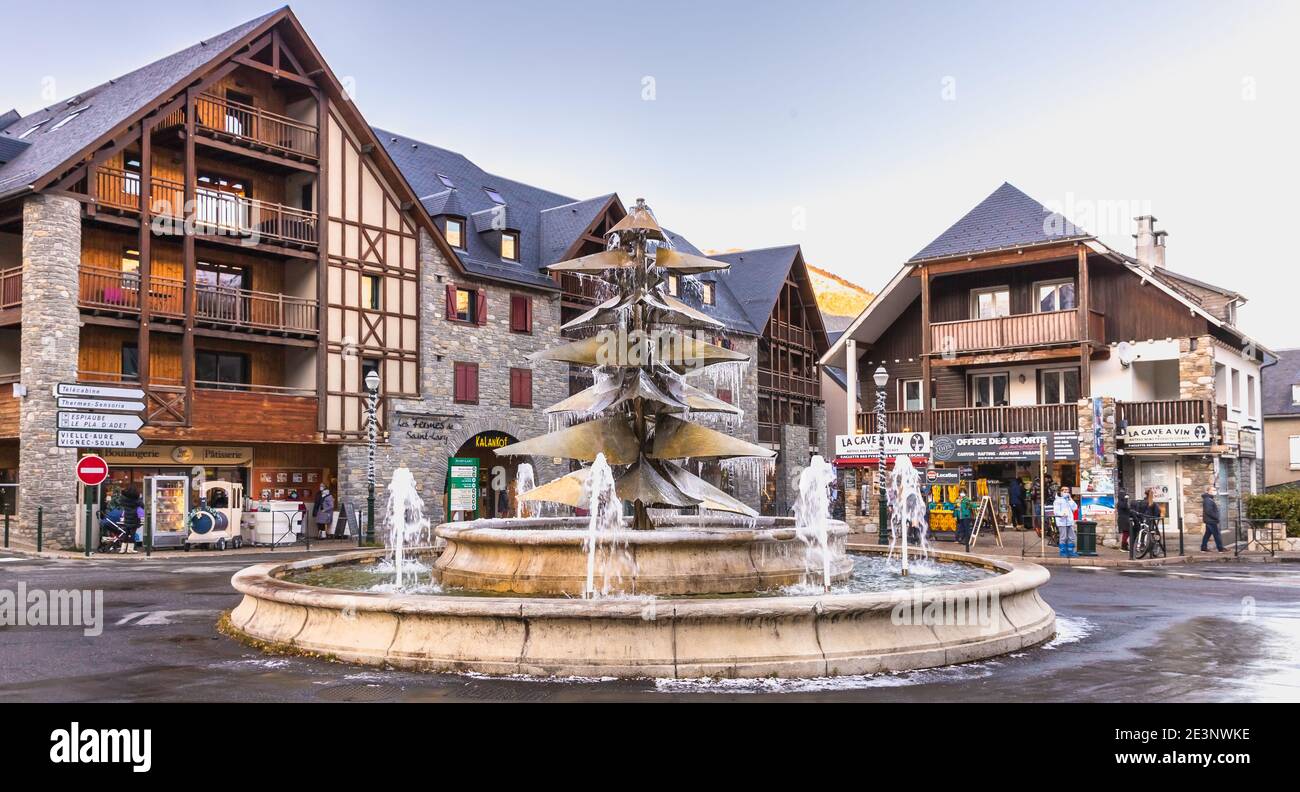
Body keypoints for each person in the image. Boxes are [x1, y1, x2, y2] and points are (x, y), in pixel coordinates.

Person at [1054, 486, 1078, 558]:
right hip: (1062, 521)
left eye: (1067, 490)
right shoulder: (1057, 500)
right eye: (1063, 490)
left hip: (1069, 521)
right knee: (1063, 537)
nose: (1065, 491)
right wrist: (1062, 514)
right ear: (1060, 491)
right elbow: (1056, 511)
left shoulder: (1069, 500)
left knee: (1072, 537)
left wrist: (1070, 499)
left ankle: (1070, 551)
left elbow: (1075, 508)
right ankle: (1063, 551)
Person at [118, 485, 143, 554]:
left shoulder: (124, 499)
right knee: (132, 534)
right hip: (134, 518)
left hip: (127, 517)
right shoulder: (136, 500)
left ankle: (122, 549)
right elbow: (142, 505)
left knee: (126, 533)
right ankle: (130, 549)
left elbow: (120, 502)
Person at [1201, 486, 1225, 552]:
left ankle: (1203, 548)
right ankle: (1220, 549)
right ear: (1208, 491)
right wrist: (1216, 517)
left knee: (1207, 534)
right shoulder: (1208, 500)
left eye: (1215, 490)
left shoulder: (1209, 499)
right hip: (1211, 520)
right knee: (1217, 535)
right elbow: (1208, 511)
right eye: (1213, 490)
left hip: (1209, 520)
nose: (1215, 491)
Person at [1116, 485, 1132, 551]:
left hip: (1124, 519)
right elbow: (1124, 507)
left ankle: (1125, 545)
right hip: (1123, 519)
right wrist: (1126, 499)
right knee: (1126, 532)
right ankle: (1124, 546)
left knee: (1126, 532)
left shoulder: (1121, 502)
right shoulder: (1120, 503)